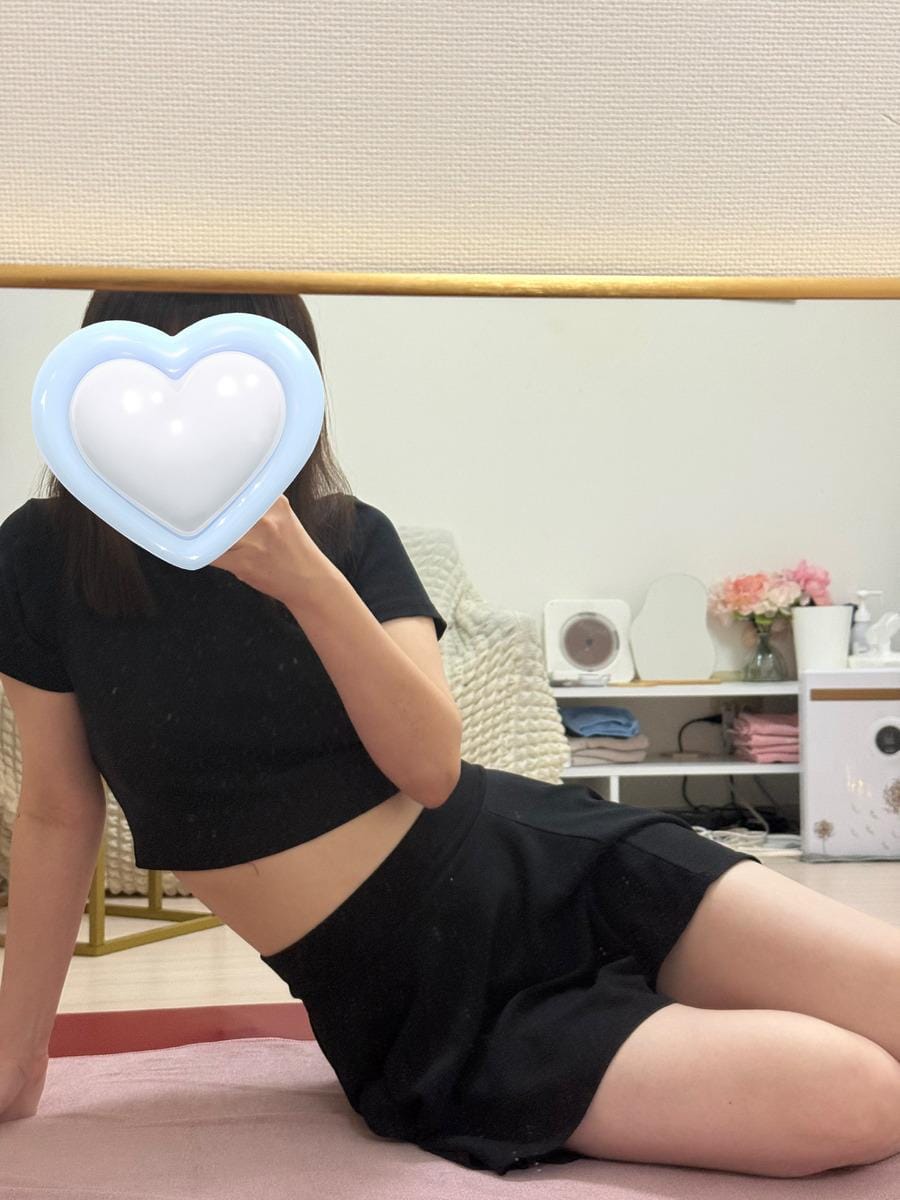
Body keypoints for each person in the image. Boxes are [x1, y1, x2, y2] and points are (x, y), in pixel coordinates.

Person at [1, 291, 900, 1181]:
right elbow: (55, 810)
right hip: (419, 1006)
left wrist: (304, 578)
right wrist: (18, 1055)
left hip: (555, 864)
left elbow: (430, 769)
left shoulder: (348, 538)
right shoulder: (43, 555)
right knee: (859, 1098)